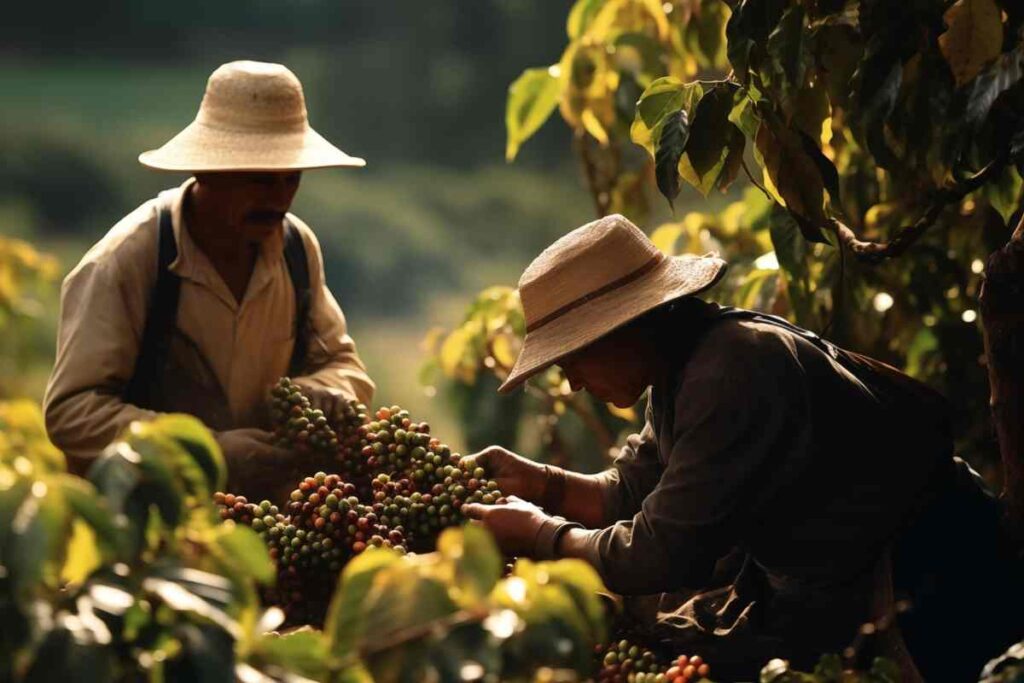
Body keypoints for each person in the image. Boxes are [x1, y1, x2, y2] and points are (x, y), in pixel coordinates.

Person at [463, 214, 1022, 680]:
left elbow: (657, 552)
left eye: (573, 361)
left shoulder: (733, 369)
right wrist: (540, 483)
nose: (574, 384)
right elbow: (628, 493)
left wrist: (540, 535)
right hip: (843, 586)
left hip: (928, 589)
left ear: (622, 329)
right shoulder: (682, 366)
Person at [44, 61, 374, 501]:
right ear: (207, 171)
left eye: (290, 179)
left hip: (260, 521)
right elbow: (71, 413)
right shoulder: (128, 261)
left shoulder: (296, 249)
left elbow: (342, 364)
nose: (279, 198)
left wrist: (326, 391)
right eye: (259, 180)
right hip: (145, 523)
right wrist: (207, 448)